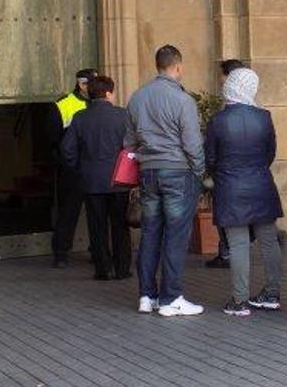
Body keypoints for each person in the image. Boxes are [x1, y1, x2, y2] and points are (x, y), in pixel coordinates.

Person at [125, 44, 205, 317]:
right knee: (175, 235)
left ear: (157, 65)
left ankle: (146, 296)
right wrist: (199, 171)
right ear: (178, 67)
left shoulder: (137, 98)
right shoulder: (184, 101)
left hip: (148, 172)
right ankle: (171, 298)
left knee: (150, 233)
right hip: (178, 172)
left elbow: (128, 142)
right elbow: (193, 144)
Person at [205, 68, 284, 317]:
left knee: (238, 243)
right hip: (261, 183)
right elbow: (271, 152)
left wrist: (221, 173)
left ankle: (239, 300)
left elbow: (210, 157)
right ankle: (272, 293)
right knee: (269, 239)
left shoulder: (218, 120)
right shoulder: (264, 117)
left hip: (230, 186)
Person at [60, 76, 131, 280]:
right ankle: (122, 268)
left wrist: (79, 169)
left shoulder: (80, 117)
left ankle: (103, 269)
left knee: (97, 226)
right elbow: (132, 146)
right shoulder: (122, 115)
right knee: (120, 226)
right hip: (119, 181)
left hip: (91, 180)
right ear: (109, 93)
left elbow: (67, 149)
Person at [49, 68, 98, 268]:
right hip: (72, 169)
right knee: (68, 212)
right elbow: (53, 140)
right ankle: (61, 252)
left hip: (94, 167)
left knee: (97, 213)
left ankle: (97, 250)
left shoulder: (98, 105)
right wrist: (68, 164)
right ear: (82, 84)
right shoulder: (63, 104)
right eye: (93, 84)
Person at [204, 58, 247, 270]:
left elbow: (213, 146)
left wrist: (212, 168)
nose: (219, 79)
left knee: (226, 213)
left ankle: (229, 252)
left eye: (222, 74)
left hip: (227, 171)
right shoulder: (256, 108)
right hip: (246, 171)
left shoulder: (226, 110)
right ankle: (228, 250)